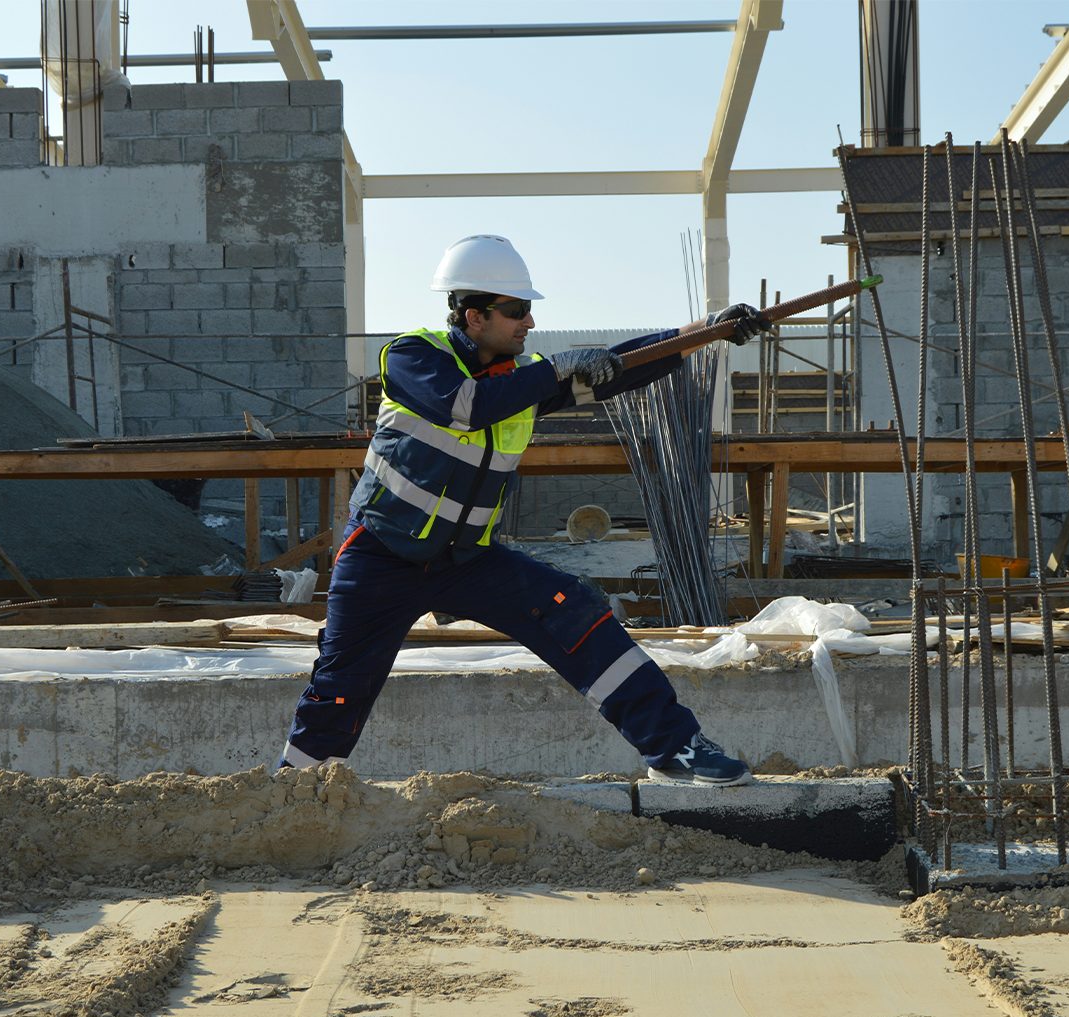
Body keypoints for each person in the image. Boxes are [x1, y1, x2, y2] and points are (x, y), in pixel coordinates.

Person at [280, 234, 772, 785]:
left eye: (529, 311)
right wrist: (556, 369)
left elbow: (623, 368)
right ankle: (296, 792)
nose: (528, 322)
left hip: (466, 559)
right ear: (473, 315)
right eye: (516, 311)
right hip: (380, 556)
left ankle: (675, 749)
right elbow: (464, 408)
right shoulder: (413, 357)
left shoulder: (521, 380)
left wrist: (704, 332)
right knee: (342, 685)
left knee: (576, 612)